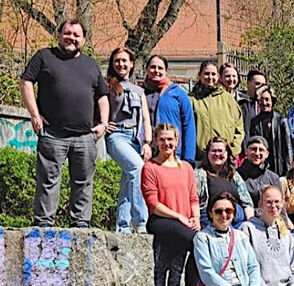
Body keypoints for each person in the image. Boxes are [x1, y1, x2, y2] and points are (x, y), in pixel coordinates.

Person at [20, 18, 109, 228]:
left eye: (76, 35)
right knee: (48, 181)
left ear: (83, 40)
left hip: (85, 136)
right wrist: (34, 114)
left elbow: (102, 95)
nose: (71, 38)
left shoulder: (90, 64)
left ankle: (80, 224)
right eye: (67, 33)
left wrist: (104, 123)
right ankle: (43, 225)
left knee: (83, 182)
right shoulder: (44, 56)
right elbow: (26, 82)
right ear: (59, 35)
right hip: (52, 133)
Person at [140, 123, 200, 286]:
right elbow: (153, 202)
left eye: (170, 139)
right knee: (195, 243)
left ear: (177, 141)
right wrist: (178, 216)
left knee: (199, 247)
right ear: (156, 142)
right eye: (162, 139)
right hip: (161, 219)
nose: (166, 143)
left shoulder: (186, 168)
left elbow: (193, 197)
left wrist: (195, 217)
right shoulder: (150, 167)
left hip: (182, 222)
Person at [104, 47, 152, 234]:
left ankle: (122, 226)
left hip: (135, 138)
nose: (121, 64)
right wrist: (103, 123)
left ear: (131, 64)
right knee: (137, 169)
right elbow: (96, 108)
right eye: (117, 61)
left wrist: (147, 142)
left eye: (125, 61)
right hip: (116, 137)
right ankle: (140, 221)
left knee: (127, 181)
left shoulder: (139, 90)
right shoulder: (106, 85)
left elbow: (146, 118)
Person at [143, 54, 196, 164]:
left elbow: (188, 125)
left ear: (166, 71)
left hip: (172, 152)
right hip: (146, 151)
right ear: (146, 69)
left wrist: (188, 158)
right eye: (153, 67)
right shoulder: (140, 93)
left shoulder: (178, 94)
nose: (156, 71)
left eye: (160, 68)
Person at [189, 60, 244, 160]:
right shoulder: (191, 100)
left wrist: (233, 151)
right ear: (199, 75)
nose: (210, 77)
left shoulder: (228, 99)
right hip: (200, 159)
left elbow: (239, 127)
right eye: (206, 74)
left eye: (213, 74)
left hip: (225, 158)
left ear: (218, 77)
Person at [195, 137, 254, 228]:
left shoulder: (234, 174)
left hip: (236, 219)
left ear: (227, 153)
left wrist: (251, 224)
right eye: (214, 151)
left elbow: (247, 203)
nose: (217, 154)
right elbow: (195, 201)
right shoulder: (200, 174)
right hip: (212, 221)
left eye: (220, 151)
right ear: (207, 154)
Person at [250, 85, 292, 177]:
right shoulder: (254, 122)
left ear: (272, 101)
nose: (264, 103)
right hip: (261, 166)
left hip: (278, 166)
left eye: (267, 99)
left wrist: (289, 170)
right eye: (261, 100)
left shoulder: (281, 121)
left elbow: (288, 147)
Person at [237, 135, 282, 207]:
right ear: (246, 151)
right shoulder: (236, 176)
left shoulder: (273, 178)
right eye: (253, 149)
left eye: (261, 150)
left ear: (267, 154)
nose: (257, 153)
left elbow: (280, 206)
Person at [239, 69, 267, 149]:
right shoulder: (240, 104)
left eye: (263, 85)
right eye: (257, 84)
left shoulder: (266, 106)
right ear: (248, 84)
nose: (261, 87)